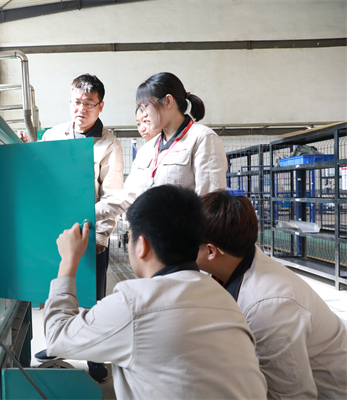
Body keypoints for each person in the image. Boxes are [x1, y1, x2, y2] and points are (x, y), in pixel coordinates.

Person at [44, 185, 267, 399]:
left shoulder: (135, 303)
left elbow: (57, 336)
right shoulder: (223, 298)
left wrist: (68, 260)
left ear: (142, 245)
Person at [197, 190, 347, 399]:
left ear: (211, 251)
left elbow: (292, 395)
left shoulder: (268, 306)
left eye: (187, 241)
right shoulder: (236, 262)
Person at [28, 74, 124, 382]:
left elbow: (112, 195)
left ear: (100, 106)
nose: (81, 109)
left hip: (89, 233)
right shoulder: (53, 135)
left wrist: (100, 236)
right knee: (57, 289)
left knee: (92, 298)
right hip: (58, 232)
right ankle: (56, 345)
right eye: (76, 102)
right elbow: (41, 178)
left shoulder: (109, 144)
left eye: (88, 104)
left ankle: (95, 355)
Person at [95, 72, 227, 221]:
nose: (143, 114)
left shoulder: (202, 138)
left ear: (168, 101)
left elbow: (210, 204)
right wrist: (87, 213)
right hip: (148, 233)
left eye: (145, 106)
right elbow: (127, 196)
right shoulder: (147, 150)